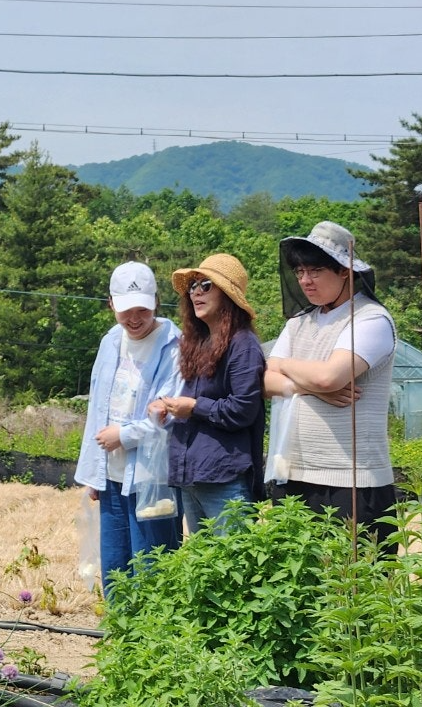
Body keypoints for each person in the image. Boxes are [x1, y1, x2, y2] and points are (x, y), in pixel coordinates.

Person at [264, 221, 397, 545]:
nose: (305, 280)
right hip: (292, 473)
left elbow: (331, 376)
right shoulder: (299, 322)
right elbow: (264, 379)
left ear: (344, 272)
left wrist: (282, 365)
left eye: (316, 271)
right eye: (299, 271)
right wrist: (303, 386)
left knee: (357, 585)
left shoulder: (370, 319)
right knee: (300, 587)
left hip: (352, 481)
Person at [75, 262, 183, 593]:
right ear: (110, 303)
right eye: (125, 310)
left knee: (152, 567)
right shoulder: (111, 341)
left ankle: (150, 643)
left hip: (153, 479)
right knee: (115, 569)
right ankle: (119, 640)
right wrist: (94, 470)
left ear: (156, 303)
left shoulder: (173, 345)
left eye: (142, 310)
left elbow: (171, 413)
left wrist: (123, 435)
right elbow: (98, 407)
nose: (134, 319)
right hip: (111, 476)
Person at [151, 253, 265, 534]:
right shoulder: (198, 342)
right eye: (193, 287)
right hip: (192, 475)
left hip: (223, 476)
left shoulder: (243, 344)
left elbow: (243, 409)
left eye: (206, 286)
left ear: (228, 295)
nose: (196, 293)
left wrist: (194, 407)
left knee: (233, 568)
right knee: (204, 571)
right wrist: (167, 405)